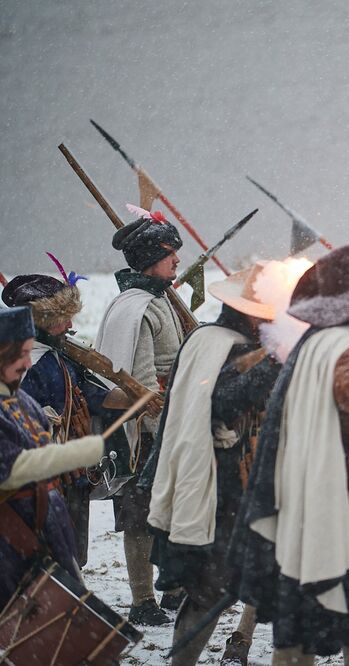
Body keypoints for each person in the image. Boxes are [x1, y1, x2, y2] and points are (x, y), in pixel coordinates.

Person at [230, 245, 349, 666]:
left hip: (310, 501)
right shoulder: (340, 347)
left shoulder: (313, 343)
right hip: (346, 503)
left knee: (307, 623)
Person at [141, 263, 280, 666]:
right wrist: (273, 363)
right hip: (221, 486)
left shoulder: (204, 337)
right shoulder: (232, 348)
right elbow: (224, 404)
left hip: (227, 482)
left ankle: (235, 645)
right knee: (211, 590)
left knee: (222, 587)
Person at [3, 261, 133, 568]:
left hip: (71, 475)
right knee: (45, 559)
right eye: (63, 319)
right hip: (41, 475)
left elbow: (91, 395)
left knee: (72, 554)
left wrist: (136, 398)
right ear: (44, 321)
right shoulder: (28, 365)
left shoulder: (62, 357)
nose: (70, 326)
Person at [95, 205, 188, 625]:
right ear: (153, 259)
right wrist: (166, 432)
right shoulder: (138, 308)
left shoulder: (160, 298)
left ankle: (172, 589)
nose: (178, 260)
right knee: (139, 517)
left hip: (171, 420)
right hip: (148, 431)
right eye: (171, 254)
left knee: (172, 513)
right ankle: (142, 599)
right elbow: (144, 382)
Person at [0, 306, 108, 607]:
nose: (26, 362)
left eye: (27, 351)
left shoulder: (19, 398)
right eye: (19, 353)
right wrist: (82, 451)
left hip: (42, 525)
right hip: (10, 534)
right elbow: (14, 468)